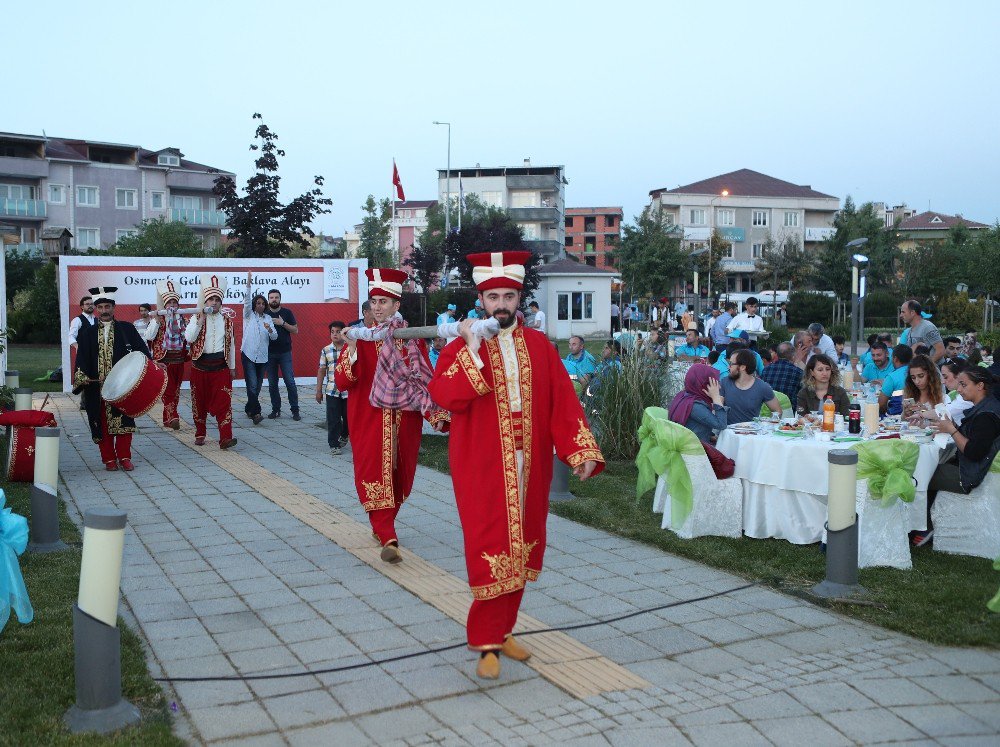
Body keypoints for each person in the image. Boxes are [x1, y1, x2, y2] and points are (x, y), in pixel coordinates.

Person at [427, 250, 603, 681]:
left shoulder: (540, 346)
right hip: (483, 462)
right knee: (490, 545)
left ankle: (504, 630)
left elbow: (562, 400)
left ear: (519, 298)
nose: (501, 305)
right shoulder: (460, 346)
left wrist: (579, 451)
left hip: (531, 462)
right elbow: (445, 397)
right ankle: (486, 639)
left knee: (522, 546)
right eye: (493, 297)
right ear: (481, 301)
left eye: (508, 296)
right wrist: (470, 348)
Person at [335, 267, 449, 565]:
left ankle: (381, 525)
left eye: (383, 302)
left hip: (404, 420)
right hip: (368, 417)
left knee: (401, 476)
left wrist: (435, 414)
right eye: (373, 302)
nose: (377, 307)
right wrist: (350, 349)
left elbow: (425, 379)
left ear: (396, 305)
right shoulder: (359, 338)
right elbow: (342, 382)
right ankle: (388, 534)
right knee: (373, 471)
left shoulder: (410, 338)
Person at [71, 286, 150, 471]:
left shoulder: (127, 329)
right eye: (101, 307)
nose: (104, 311)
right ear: (96, 309)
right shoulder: (87, 333)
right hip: (96, 388)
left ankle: (124, 457)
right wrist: (82, 378)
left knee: (124, 422)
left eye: (108, 306)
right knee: (101, 423)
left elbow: (142, 352)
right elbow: (81, 358)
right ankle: (108, 459)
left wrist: (153, 365)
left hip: (123, 387)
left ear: (114, 308)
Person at [919, 367, 1000, 546]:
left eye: (963, 385)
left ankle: (924, 527)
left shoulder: (986, 416)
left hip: (970, 475)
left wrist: (951, 429)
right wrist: (949, 426)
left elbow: (973, 451)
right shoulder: (986, 407)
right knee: (928, 466)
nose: (959, 389)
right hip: (971, 467)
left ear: (980, 386)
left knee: (923, 473)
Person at [184, 274, 237, 449]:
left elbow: (232, 345)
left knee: (224, 401)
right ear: (205, 302)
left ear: (221, 302)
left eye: (217, 299)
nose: (213, 302)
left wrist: (233, 367)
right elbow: (189, 338)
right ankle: (200, 433)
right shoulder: (195, 318)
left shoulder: (227, 321)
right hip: (200, 366)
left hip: (221, 367)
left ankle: (225, 437)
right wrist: (199, 322)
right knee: (199, 401)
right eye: (210, 299)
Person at [144, 279, 190, 429]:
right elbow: (149, 337)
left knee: (175, 390)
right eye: (169, 303)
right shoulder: (158, 318)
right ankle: (173, 417)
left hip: (179, 360)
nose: (172, 306)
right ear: (164, 305)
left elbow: (189, 338)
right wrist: (156, 321)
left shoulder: (183, 319)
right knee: (169, 390)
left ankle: (167, 418)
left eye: (174, 303)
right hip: (164, 361)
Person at [241, 272, 277, 425]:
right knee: (252, 384)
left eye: (263, 303)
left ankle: (249, 408)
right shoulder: (249, 315)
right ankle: (256, 413)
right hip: (248, 354)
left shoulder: (268, 318)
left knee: (258, 385)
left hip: (262, 357)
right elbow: (247, 302)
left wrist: (270, 330)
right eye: (258, 303)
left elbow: (274, 337)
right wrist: (249, 284)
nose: (261, 305)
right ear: (255, 305)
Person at [668, 363, 728, 442]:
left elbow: (694, 426)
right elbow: (721, 424)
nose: (719, 387)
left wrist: (709, 436)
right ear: (704, 384)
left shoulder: (683, 396)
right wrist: (717, 399)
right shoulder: (694, 406)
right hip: (694, 450)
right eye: (715, 384)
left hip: (691, 444)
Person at [721, 348, 781, 424]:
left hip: (751, 433)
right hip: (728, 433)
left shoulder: (762, 387)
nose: (728, 367)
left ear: (742, 367)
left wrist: (766, 426)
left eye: (731, 364)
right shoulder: (724, 382)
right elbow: (718, 409)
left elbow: (778, 412)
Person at [265, 288, 300, 420]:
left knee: (290, 382)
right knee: (272, 383)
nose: (274, 299)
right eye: (271, 297)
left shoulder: (287, 312)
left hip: (285, 353)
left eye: (276, 297)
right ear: (268, 300)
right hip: (269, 354)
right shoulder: (265, 314)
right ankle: (276, 410)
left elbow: (296, 330)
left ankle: (295, 410)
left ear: (280, 299)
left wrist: (282, 323)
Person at [316, 321, 349, 455]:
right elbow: (321, 370)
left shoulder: (349, 348)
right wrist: (318, 390)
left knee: (348, 418)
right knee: (333, 419)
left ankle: (345, 435)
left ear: (343, 333)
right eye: (332, 332)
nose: (335, 335)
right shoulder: (326, 350)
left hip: (348, 391)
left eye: (338, 332)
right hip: (332, 390)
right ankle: (333, 444)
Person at [69, 295, 96, 410]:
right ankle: (84, 404)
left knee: (95, 376)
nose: (90, 306)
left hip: (96, 353)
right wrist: (77, 347)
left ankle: (95, 401)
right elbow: (71, 336)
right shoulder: (77, 320)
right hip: (84, 354)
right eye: (87, 304)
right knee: (85, 377)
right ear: (82, 306)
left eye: (91, 304)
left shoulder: (96, 320)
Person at [901, 299, 945, 363]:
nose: (900, 315)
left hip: (932, 370)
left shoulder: (928, 327)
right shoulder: (910, 330)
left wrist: (927, 367)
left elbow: (940, 350)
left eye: (903, 312)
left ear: (912, 313)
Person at [878, 345, 914, 415]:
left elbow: (881, 404)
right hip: (916, 413)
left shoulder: (892, 377)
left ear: (895, 359)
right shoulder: (917, 373)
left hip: (896, 416)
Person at [941, 358, 974, 426]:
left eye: (946, 377)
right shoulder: (959, 394)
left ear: (959, 375)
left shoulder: (967, 396)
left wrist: (922, 413)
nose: (943, 382)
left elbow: (943, 412)